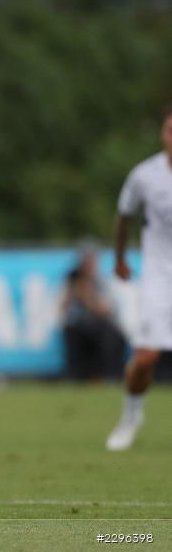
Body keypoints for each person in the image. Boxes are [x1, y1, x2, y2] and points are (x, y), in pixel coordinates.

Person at [105, 105, 172, 451]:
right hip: (159, 277)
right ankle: (131, 416)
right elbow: (124, 216)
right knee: (146, 357)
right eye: (169, 131)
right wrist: (119, 258)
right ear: (163, 134)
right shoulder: (145, 175)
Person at [60, 242, 126, 381]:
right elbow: (61, 308)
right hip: (79, 327)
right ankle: (75, 376)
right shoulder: (72, 280)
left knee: (110, 336)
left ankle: (108, 376)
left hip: (100, 326)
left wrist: (88, 296)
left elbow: (107, 311)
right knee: (72, 332)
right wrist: (72, 293)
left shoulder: (103, 280)